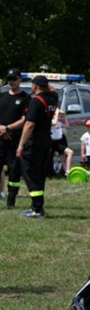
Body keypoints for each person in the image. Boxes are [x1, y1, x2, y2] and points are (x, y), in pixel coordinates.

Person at [15, 75, 57, 218]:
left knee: (30, 173)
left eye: (32, 84)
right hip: (46, 141)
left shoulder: (35, 102)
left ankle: (37, 209)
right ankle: (36, 207)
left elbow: (29, 124)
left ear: (35, 86)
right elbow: (53, 90)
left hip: (34, 143)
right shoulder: (53, 98)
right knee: (39, 174)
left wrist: (20, 145)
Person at [1, 68, 31, 207]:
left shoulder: (25, 98)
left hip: (15, 139)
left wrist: (8, 128)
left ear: (20, 80)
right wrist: (1, 129)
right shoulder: (2, 96)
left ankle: (11, 200)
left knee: (13, 171)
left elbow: (25, 119)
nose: (11, 82)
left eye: (14, 79)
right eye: (9, 79)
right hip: (0, 137)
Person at [50, 107, 74, 176]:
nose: (57, 116)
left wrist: (64, 116)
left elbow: (67, 125)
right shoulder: (50, 121)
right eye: (54, 115)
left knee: (68, 153)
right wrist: (56, 113)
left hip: (59, 141)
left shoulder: (59, 123)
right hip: (51, 141)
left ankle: (67, 171)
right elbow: (54, 123)